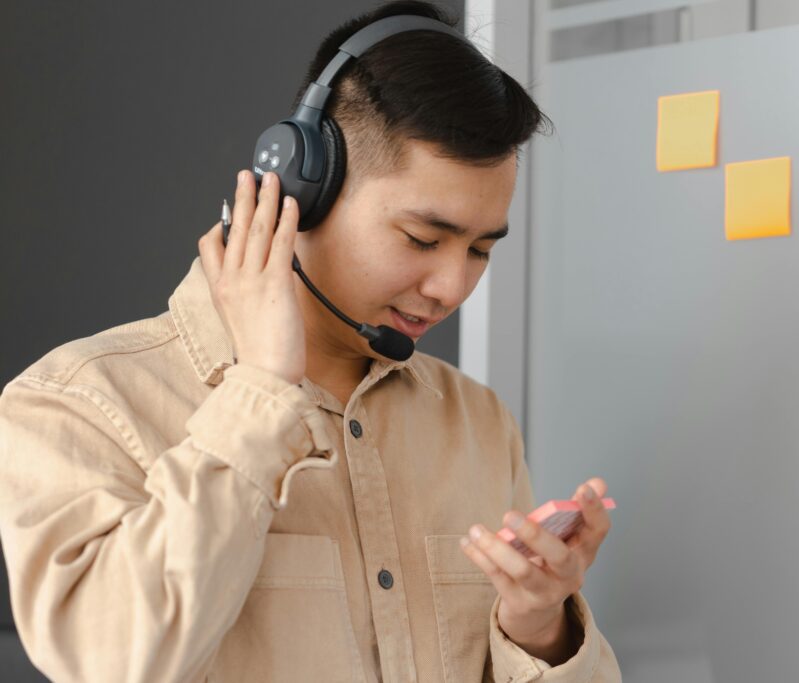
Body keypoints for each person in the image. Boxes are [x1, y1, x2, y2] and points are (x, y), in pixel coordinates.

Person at [0, 1, 621, 681]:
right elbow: (113, 663)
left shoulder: (475, 422)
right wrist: (262, 391)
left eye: (479, 249)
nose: (451, 285)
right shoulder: (72, 404)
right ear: (301, 186)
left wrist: (537, 627)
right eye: (422, 238)